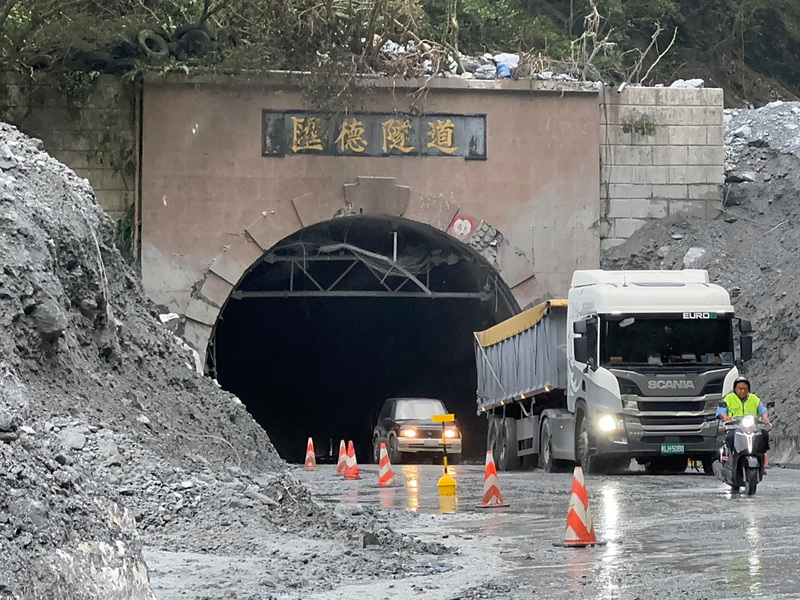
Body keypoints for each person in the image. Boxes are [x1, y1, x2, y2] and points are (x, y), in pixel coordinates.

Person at [717, 376, 770, 453]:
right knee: (731, 437)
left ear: (748, 389)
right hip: (734, 428)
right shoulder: (728, 398)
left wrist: (765, 417)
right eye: (740, 389)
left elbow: (763, 409)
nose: (742, 391)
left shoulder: (754, 398)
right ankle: (732, 455)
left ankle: (762, 456)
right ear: (735, 389)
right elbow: (722, 410)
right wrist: (725, 417)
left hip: (752, 428)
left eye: (745, 389)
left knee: (764, 434)